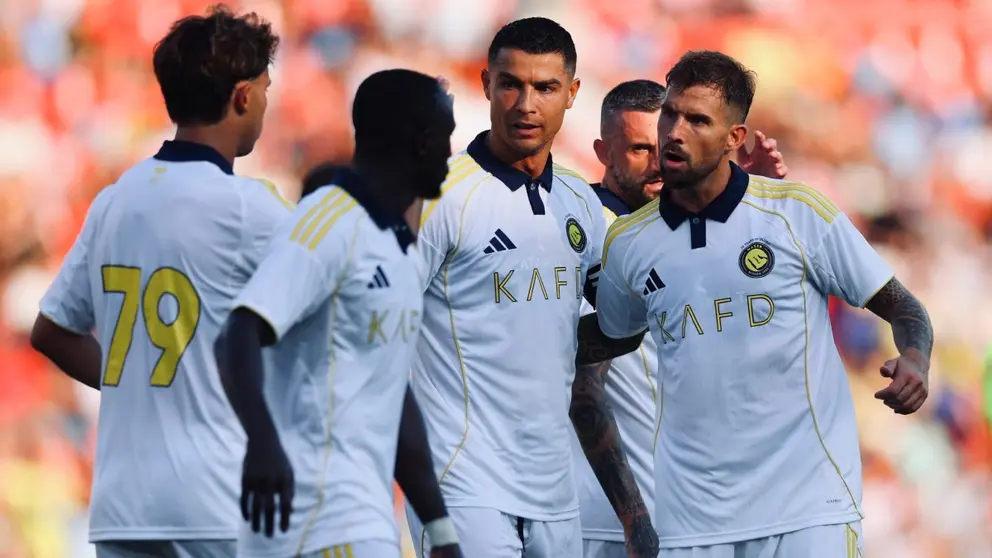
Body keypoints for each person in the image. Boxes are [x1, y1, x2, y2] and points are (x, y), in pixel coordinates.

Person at [594, 50, 933, 558]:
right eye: (670, 114)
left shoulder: (796, 213)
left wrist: (915, 358)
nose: (675, 132)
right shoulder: (628, 243)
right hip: (691, 524)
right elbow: (604, 342)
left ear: (735, 138)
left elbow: (906, 310)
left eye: (698, 120)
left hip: (807, 511)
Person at [28, 6, 286, 558]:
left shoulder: (114, 200)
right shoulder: (251, 209)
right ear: (242, 96)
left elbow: (51, 332)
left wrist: (137, 380)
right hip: (217, 500)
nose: (266, 101)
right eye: (265, 87)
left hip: (123, 506)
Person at [408, 17, 656, 558]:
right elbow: (380, 325)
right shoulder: (439, 197)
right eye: (510, 84)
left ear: (572, 93)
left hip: (554, 489)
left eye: (544, 87)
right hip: (463, 480)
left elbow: (617, 321)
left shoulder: (578, 202)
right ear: (486, 85)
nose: (526, 103)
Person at [215, 69, 463, 558]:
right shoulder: (328, 220)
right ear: (418, 142)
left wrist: (439, 527)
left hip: (361, 522)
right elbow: (239, 332)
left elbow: (394, 395)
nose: (449, 155)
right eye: (444, 139)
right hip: (312, 521)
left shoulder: (400, 249)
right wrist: (262, 442)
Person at [574, 78, 788, 558]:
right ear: (602, 151)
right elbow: (583, 383)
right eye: (638, 149)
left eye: (666, 148)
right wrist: (634, 519)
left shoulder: (674, 230)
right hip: (615, 520)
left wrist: (752, 209)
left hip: (688, 513)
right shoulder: (590, 230)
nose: (658, 164)